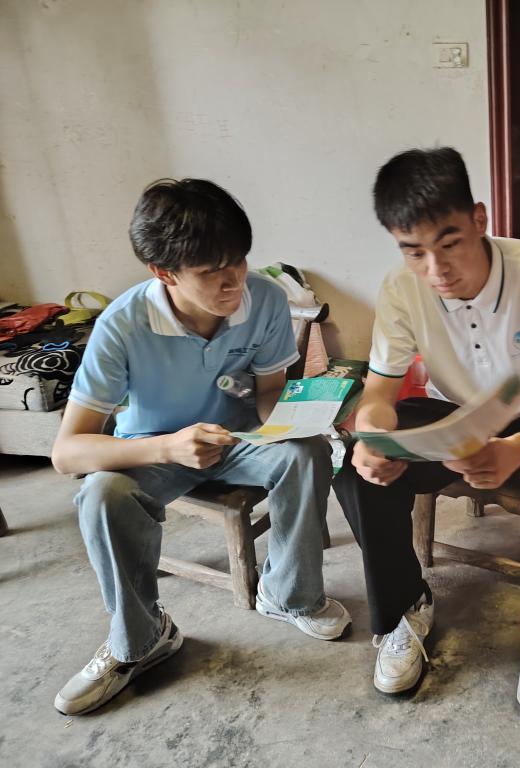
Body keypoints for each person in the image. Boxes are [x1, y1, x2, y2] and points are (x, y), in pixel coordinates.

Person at [51, 179, 350, 716]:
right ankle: (142, 639)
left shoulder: (263, 298)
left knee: (307, 454)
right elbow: (67, 452)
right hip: (153, 447)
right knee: (102, 495)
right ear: (163, 272)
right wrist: (168, 448)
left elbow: (268, 395)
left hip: (238, 440)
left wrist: (306, 419)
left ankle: (288, 595)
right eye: (211, 271)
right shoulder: (122, 325)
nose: (232, 280)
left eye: (238, 260)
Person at [333, 147, 520, 712]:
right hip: (449, 415)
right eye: (414, 252)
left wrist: (518, 447)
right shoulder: (401, 289)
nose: (437, 270)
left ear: (479, 219)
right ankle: (406, 607)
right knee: (358, 472)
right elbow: (380, 393)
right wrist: (372, 435)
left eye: (450, 243)